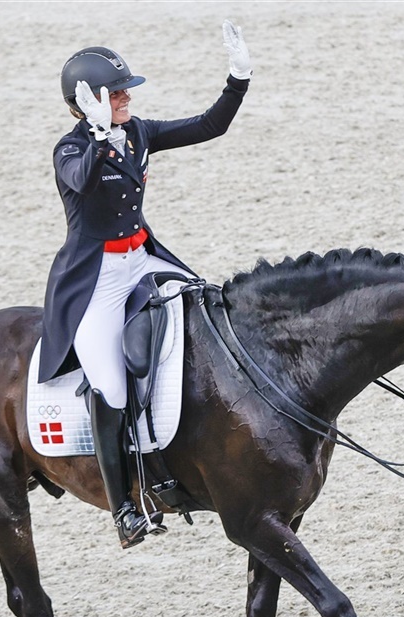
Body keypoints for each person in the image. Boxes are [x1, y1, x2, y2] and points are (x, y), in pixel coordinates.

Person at [39, 21, 253, 549]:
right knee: (110, 385)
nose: (126, 99)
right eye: (115, 94)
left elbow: (208, 126)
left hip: (142, 260)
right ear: (85, 103)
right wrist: (97, 135)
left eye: (125, 91)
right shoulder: (69, 149)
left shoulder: (137, 133)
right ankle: (123, 509)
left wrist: (238, 79)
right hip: (96, 281)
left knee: (208, 311)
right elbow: (82, 180)